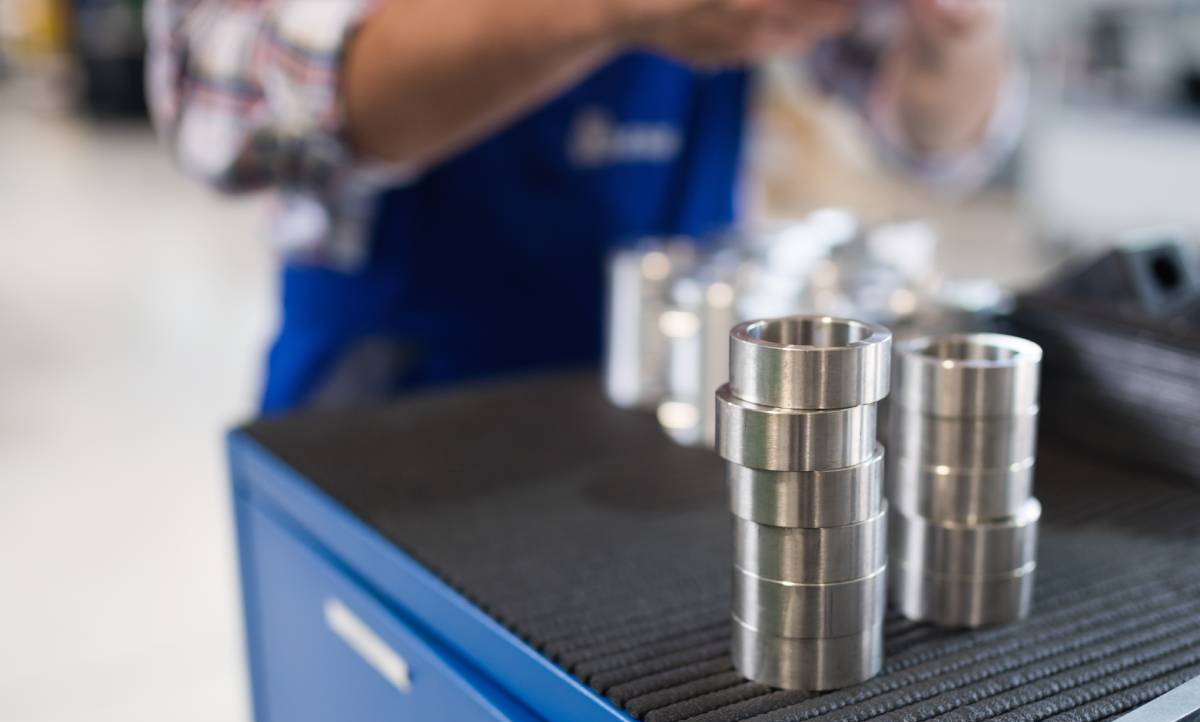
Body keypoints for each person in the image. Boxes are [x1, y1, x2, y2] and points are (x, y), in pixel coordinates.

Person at [147, 0, 1021, 413]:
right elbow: (222, 119)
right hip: (391, 385)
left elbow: (929, 131)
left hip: (680, 385)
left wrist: (963, 32)